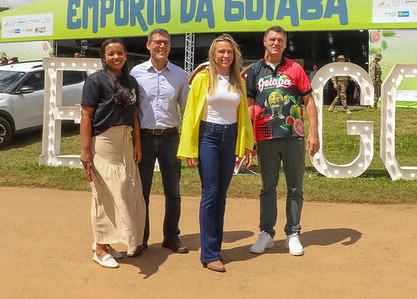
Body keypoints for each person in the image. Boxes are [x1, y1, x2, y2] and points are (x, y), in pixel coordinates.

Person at [177, 34, 255, 272]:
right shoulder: (202, 79)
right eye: (221, 51)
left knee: (221, 194)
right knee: (210, 193)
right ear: (213, 54)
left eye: (229, 52)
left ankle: (215, 248)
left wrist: (247, 145)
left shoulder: (237, 81)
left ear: (234, 56)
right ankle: (209, 254)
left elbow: (243, 116)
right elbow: (191, 114)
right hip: (208, 137)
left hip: (229, 138)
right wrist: (190, 148)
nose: (225, 55)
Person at [246, 26, 319, 256]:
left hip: (292, 137)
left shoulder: (295, 69)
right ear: (264, 42)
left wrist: (313, 133)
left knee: (295, 187)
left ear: (285, 44)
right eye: (272, 39)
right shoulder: (255, 71)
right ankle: (266, 233)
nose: (276, 43)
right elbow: (249, 105)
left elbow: (309, 101)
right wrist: (250, 138)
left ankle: (293, 234)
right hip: (265, 138)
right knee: (267, 188)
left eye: (280, 40)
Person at [79, 38, 147, 269]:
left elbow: (135, 115)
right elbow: (86, 115)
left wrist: (137, 145)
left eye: (120, 53)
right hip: (104, 141)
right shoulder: (95, 80)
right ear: (104, 57)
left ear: (126, 55)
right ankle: (99, 248)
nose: (116, 57)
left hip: (125, 141)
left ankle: (108, 241)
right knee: (106, 193)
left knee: (126, 191)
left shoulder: (131, 81)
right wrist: (86, 150)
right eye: (111, 54)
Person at [131, 29, 189, 256]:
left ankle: (171, 237)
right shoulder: (136, 74)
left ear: (169, 46)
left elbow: (187, 111)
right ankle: (140, 239)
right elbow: (133, 109)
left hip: (170, 138)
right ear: (148, 46)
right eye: (157, 42)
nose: (161, 46)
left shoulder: (180, 75)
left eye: (165, 42)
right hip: (143, 139)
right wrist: (134, 142)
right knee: (141, 192)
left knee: (173, 191)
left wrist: (187, 141)